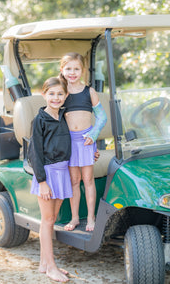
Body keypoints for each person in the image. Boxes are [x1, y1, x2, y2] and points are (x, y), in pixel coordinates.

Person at [27, 77, 72, 282]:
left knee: (52, 220)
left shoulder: (62, 116)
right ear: (44, 94)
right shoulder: (39, 120)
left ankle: (44, 264)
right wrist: (42, 181)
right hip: (47, 173)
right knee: (47, 221)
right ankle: (51, 266)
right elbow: (34, 152)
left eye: (60, 94)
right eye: (51, 93)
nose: (56, 97)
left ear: (66, 95)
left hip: (62, 172)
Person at [59, 52, 107, 232]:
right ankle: (74, 218)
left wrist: (93, 135)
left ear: (83, 71)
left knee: (88, 180)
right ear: (62, 70)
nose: (72, 72)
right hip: (69, 142)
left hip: (87, 141)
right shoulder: (61, 92)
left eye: (76, 69)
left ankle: (91, 219)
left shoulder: (89, 92)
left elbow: (102, 117)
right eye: (68, 68)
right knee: (74, 180)